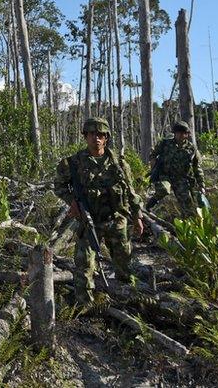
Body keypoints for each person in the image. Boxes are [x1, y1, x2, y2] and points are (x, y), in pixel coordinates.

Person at [54, 117, 144, 306]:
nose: (96, 138)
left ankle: (129, 301)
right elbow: (59, 187)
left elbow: (131, 192)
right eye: (92, 134)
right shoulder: (73, 163)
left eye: (101, 135)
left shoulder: (118, 163)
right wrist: (72, 202)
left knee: (125, 265)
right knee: (84, 265)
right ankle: (84, 307)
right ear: (85, 136)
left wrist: (137, 217)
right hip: (88, 221)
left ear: (106, 138)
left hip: (116, 220)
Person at [146, 120, 206, 215]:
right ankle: (150, 204)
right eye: (178, 133)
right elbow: (152, 155)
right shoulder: (165, 143)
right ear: (174, 133)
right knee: (164, 189)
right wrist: (153, 166)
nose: (180, 135)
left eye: (183, 133)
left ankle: (186, 223)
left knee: (188, 207)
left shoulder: (192, 149)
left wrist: (201, 184)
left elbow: (197, 167)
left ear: (187, 134)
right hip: (165, 176)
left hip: (181, 179)